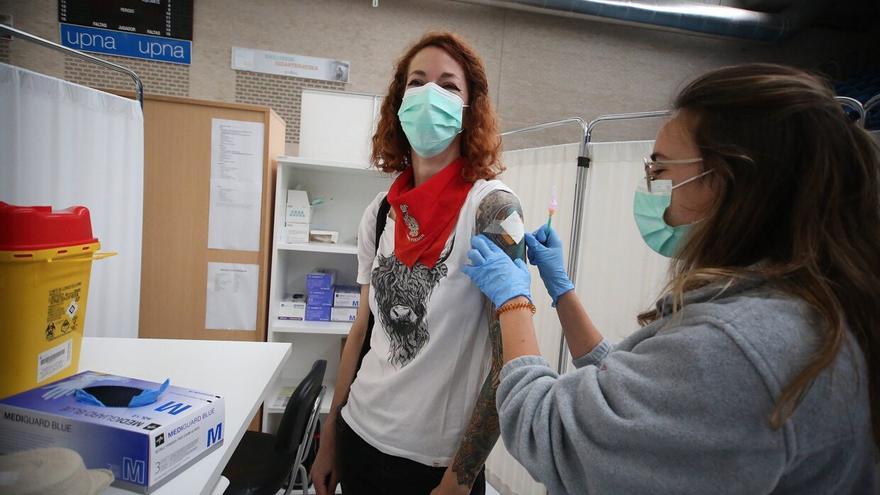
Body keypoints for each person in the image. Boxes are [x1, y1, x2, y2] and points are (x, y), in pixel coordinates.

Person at [462, 63, 879, 494]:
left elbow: (553, 432)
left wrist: (513, 300)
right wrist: (561, 290)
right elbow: (643, 396)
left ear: (724, 179)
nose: (650, 186)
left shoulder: (743, 346)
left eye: (659, 170)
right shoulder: (809, 307)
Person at [311, 31, 526, 495]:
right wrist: (330, 432)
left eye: (449, 86)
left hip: (435, 463)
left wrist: (459, 480)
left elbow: (510, 359)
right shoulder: (381, 212)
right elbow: (361, 330)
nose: (431, 95)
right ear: (398, 102)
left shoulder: (492, 209)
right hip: (359, 435)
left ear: (469, 108)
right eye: (417, 82)